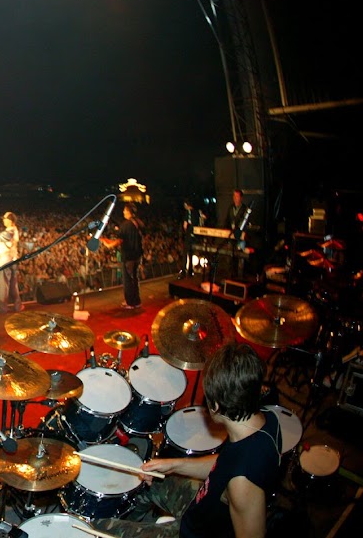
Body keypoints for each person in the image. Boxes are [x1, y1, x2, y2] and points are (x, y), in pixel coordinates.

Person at [92, 342, 282, 537]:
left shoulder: (242, 484)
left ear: (215, 406)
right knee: (144, 482)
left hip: (191, 533)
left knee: (99, 529)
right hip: (200, 508)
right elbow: (226, 464)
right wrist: (174, 465)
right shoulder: (267, 420)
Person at [102, 203, 144, 310]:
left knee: (128, 280)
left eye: (125, 210)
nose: (123, 212)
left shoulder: (126, 225)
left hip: (129, 256)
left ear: (129, 211)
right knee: (134, 279)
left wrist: (105, 242)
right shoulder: (138, 223)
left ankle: (130, 302)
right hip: (137, 255)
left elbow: (118, 241)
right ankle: (136, 301)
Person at [180, 199, 206, 279]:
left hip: (189, 235)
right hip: (196, 235)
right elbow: (204, 217)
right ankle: (190, 271)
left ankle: (184, 271)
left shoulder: (188, 213)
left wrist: (186, 228)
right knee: (191, 253)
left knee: (185, 253)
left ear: (186, 205)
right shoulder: (197, 212)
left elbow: (185, 225)